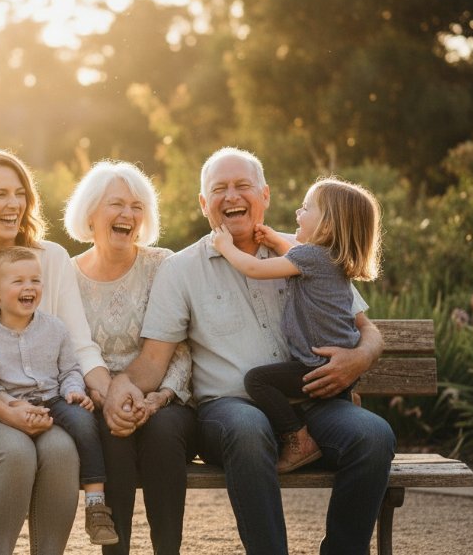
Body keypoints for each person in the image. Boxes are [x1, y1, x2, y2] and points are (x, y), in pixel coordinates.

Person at [103, 147, 395, 555]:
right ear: (204, 204)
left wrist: (361, 358)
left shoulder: (303, 252)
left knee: (374, 435)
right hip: (228, 410)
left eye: (243, 186)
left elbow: (367, 329)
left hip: (314, 399)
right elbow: (154, 359)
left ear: (266, 196)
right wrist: (121, 386)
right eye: (219, 189)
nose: (232, 196)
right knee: (247, 427)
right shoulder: (181, 270)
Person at [0, 148, 112, 555]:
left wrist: (106, 391)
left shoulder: (53, 258)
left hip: (48, 401)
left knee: (63, 450)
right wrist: (4, 410)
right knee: (14, 453)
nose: (14, 204)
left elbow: (81, 345)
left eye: (20, 193)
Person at [63, 160, 196, 555]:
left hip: (165, 400)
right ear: (90, 212)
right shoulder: (67, 276)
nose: (128, 214)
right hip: (100, 400)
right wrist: (106, 398)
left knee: (163, 433)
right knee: (112, 434)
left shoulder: (163, 265)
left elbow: (183, 349)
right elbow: (69, 351)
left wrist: (159, 397)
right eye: (116, 204)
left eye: (137, 206)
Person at [211, 178, 382, 473]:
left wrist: (225, 247)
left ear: (327, 226)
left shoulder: (311, 257)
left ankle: (298, 438)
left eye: (305, 208)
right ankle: (345, 399)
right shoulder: (334, 261)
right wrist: (276, 240)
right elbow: (293, 252)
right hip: (338, 363)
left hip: (315, 364)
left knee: (258, 381)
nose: (297, 214)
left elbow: (255, 268)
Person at [0, 246, 119, 546]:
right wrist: (11, 403)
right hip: (11, 407)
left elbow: (70, 369)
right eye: (19, 281)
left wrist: (75, 391)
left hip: (54, 400)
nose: (29, 288)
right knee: (17, 453)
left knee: (86, 423)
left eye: (35, 281)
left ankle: (96, 505)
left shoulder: (55, 329)